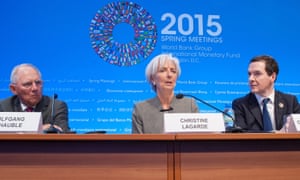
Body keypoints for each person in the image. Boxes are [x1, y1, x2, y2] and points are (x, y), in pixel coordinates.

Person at [132, 54, 199, 134]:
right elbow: (137, 144)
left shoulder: (190, 105)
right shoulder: (141, 109)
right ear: (152, 78)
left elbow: (198, 139)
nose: (169, 75)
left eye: (173, 71)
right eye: (162, 70)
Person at [232, 55, 300, 132]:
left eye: (257, 74)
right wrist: (275, 134)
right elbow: (240, 134)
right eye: (249, 74)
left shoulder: (290, 101)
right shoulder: (240, 104)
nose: (250, 79)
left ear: (273, 77)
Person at [0, 63, 70, 133]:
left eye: (38, 83)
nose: (35, 88)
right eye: (27, 84)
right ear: (14, 89)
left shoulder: (55, 106)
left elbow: (63, 133)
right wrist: (38, 130)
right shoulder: (3, 107)